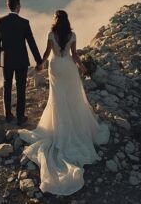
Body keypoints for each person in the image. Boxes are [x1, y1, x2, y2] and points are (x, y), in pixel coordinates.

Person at [19, 10, 109, 196]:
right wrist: (83, 67)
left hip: (55, 68)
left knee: (57, 98)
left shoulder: (51, 34)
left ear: (55, 21)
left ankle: (59, 125)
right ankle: (75, 125)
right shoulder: (72, 35)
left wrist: (40, 64)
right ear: (67, 21)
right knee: (72, 96)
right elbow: (74, 55)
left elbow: (46, 53)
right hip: (67, 67)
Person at [0, 0, 43, 125]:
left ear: (8, 7)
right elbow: (31, 43)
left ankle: (8, 115)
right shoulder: (24, 23)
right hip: (21, 60)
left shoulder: (0, 21)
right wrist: (39, 61)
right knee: (21, 88)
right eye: (20, 6)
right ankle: (20, 117)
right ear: (17, 7)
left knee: (7, 86)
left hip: (6, 60)